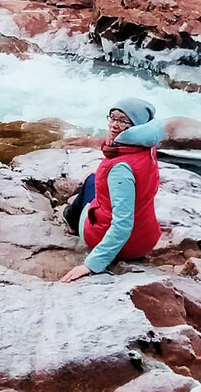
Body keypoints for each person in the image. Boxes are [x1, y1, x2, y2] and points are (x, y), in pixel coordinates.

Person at [59, 97, 165, 283]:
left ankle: (71, 222)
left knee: (89, 187)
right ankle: (71, 215)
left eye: (123, 121)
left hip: (124, 245)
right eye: (112, 118)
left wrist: (92, 264)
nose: (114, 125)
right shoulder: (147, 147)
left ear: (137, 126)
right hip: (146, 236)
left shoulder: (120, 168)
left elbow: (122, 224)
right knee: (93, 181)